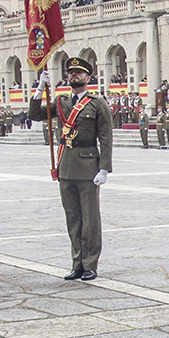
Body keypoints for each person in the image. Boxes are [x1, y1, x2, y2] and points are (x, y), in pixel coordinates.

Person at [45, 58, 113, 278]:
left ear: (88, 77)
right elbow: (37, 114)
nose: (74, 76)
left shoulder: (97, 103)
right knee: (73, 218)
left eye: (79, 73)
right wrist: (39, 90)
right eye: (71, 73)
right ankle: (77, 263)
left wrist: (104, 169)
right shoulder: (61, 101)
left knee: (90, 219)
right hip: (65, 166)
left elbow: (106, 137)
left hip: (87, 166)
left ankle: (90, 263)